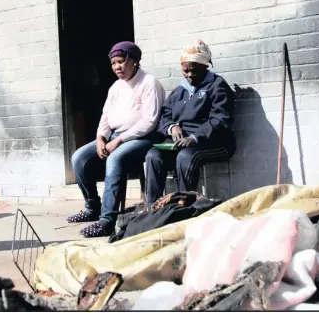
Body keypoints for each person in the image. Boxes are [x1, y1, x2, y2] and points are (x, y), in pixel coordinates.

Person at [67, 41, 165, 237]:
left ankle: (107, 221)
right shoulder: (116, 87)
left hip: (142, 138)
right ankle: (92, 207)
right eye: (113, 63)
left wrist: (119, 141)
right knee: (79, 157)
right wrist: (101, 137)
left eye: (121, 61)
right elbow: (106, 115)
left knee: (115, 159)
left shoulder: (149, 83)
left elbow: (150, 122)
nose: (117, 67)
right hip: (114, 136)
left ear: (134, 61)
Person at [144, 39, 236, 205]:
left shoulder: (217, 86)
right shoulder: (180, 90)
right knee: (153, 155)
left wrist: (194, 137)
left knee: (186, 157)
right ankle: (153, 207)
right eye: (185, 71)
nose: (189, 75)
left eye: (193, 71)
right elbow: (164, 116)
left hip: (214, 143)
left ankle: (184, 206)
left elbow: (220, 120)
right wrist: (172, 128)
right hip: (181, 144)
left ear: (205, 66)